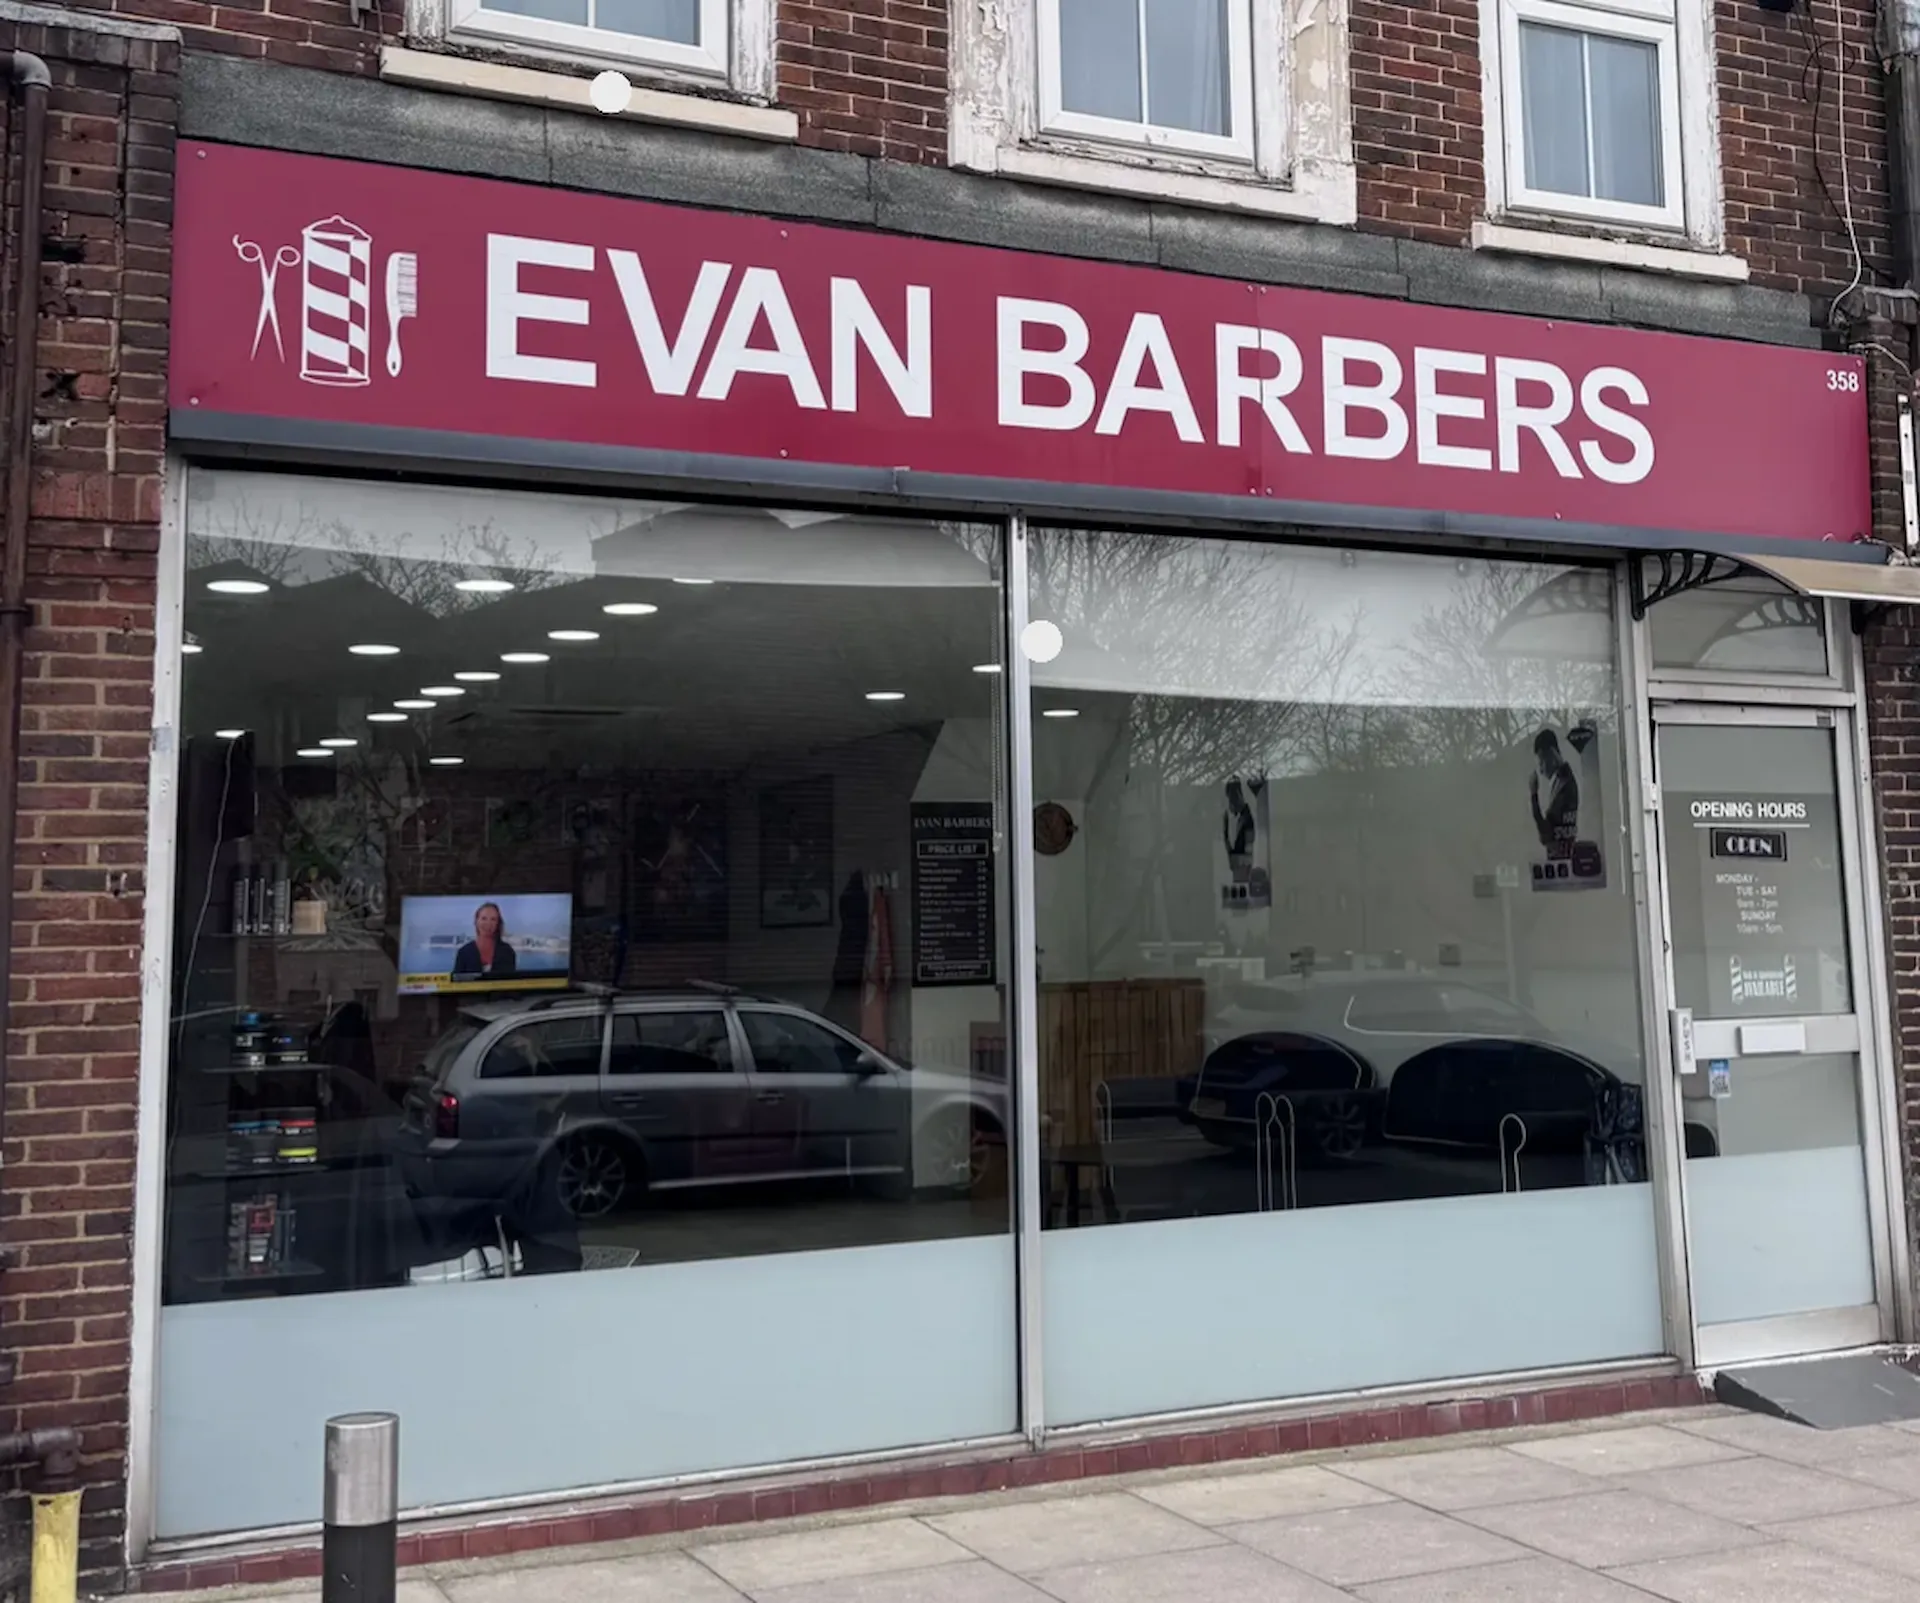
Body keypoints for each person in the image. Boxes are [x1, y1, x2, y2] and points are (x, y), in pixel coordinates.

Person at [1529, 729, 1580, 852]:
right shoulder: (1562, 782)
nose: (1541, 770)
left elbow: (1546, 835)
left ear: (1551, 754)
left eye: (1541, 762)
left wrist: (1533, 794)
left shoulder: (1564, 787)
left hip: (1559, 860)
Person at [451, 901, 518, 980]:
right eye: (484, 918)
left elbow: (510, 984)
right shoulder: (464, 952)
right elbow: (455, 984)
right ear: (476, 921)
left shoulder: (507, 952)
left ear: (498, 924)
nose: (488, 923)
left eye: (493, 919)